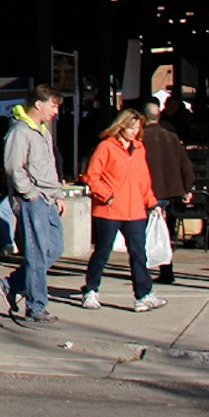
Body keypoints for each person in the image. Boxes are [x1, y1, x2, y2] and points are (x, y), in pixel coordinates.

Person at [80, 108, 165, 313]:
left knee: (139, 253)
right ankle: (91, 290)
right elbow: (92, 175)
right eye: (131, 127)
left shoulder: (139, 148)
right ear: (121, 126)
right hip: (109, 210)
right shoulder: (106, 147)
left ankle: (143, 294)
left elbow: (143, 180)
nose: (135, 132)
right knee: (102, 251)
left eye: (137, 128)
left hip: (135, 210)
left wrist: (151, 202)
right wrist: (106, 196)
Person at [1, 85, 68, 325]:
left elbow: (50, 166)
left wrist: (58, 194)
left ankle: (13, 283)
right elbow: (13, 167)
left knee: (55, 247)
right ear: (38, 104)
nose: (55, 111)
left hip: (49, 198)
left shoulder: (43, 132)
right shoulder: (20, 131)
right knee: (36, 252)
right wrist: (29, 194)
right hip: (32, 199)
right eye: (53, 105)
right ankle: (36, 306)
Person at [139, 101, 194, 286]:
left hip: (146, 191)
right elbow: (185, 165)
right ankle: (166, 270)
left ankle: (142, 270)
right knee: (163, 233)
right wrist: (187, 187)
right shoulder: (171, 138)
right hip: (168, 192)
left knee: (142, 233)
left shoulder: (140, 139)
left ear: (143, 117)